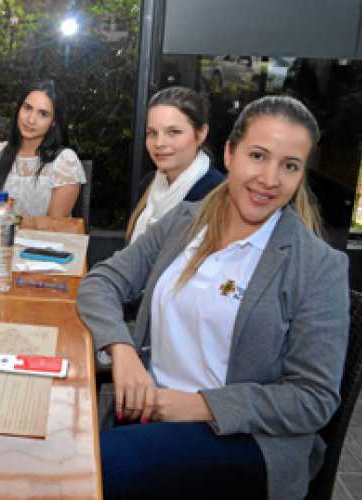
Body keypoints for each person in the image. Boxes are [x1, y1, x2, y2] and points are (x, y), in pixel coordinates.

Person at [76, 96, 349, 500]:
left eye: (289, 166)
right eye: (258, 156)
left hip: (243, 437)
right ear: (230, 153)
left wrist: (196, 405)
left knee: (91, 468)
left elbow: (313, 398)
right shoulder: (185, 221)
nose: (270, 179)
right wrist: (122, 349)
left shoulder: (318, 265)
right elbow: (101, 281)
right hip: (151, 413)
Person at [126, 86, 225, 243]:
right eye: (152, 133)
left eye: (173, 132)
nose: (159, 143)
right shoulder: (148, 183)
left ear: (201, 134)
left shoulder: (218, 195)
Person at [0, 80, 86, 217]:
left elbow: (54, 225)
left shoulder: (65, 161)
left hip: (44, 233)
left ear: (53, 122)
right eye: (27, 108)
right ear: (18, 109)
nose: (31, 120)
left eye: (43, 114)